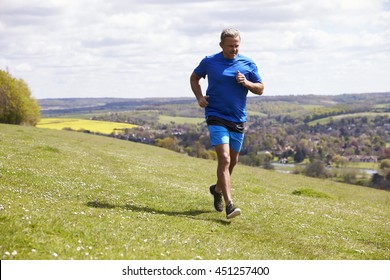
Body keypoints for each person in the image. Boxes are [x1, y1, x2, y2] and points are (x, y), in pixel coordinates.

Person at [190, 28, 264, 219]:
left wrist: (247, 83)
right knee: (224, 159)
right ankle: (230, 204)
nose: (234, 49)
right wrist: (199, 97)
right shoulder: (210, 61)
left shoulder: (247, 63)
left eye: (236, 45)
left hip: (238, 118)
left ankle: (217, 189)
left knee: (233, 161)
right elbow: (194, 77)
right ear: (221, 45)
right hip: (215, 114)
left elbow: (261, 88)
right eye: (230, 46)